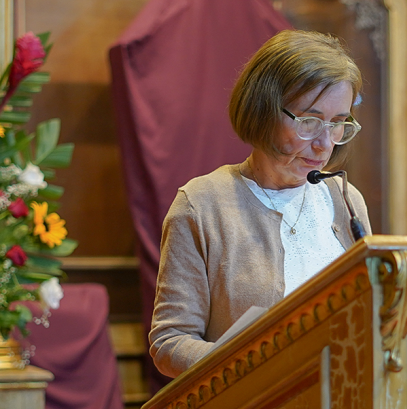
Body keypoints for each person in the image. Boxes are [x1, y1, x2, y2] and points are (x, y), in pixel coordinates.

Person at [149, 30, 371, 378]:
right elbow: (170, 341)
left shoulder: (346, 200)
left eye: (338, 123)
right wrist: (255, 366)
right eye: (309, 121)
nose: (325, 144)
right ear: (264, 109)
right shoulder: (202, 205)